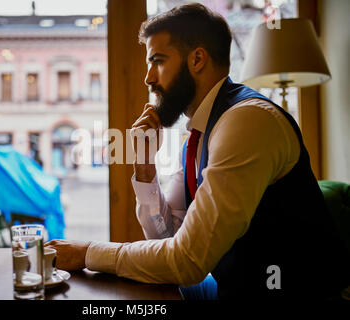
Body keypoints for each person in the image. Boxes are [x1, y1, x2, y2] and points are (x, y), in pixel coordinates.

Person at [45, 3, 349, 300]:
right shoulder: (198, 135)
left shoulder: (248, 121)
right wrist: (145, 168)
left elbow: (187, 261)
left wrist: (86, 253)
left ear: (198, 59)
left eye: (158, 60)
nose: (148, 77)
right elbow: (167, 239)